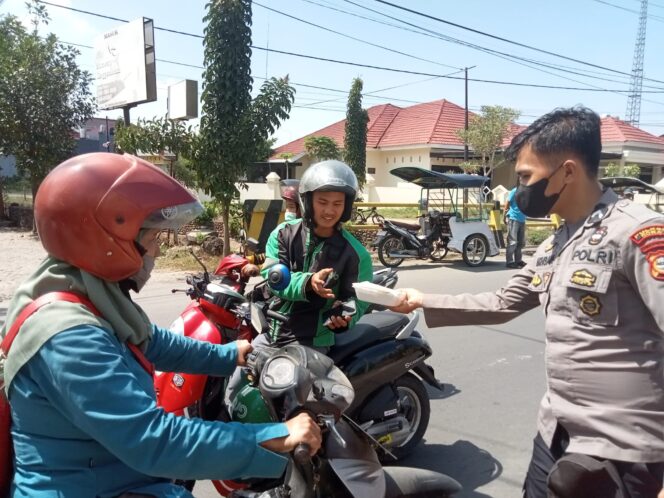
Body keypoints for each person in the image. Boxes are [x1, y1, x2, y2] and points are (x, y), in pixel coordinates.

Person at [0, 153, 321, 497]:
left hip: (120, 479)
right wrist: (273, 437)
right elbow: (155, 441)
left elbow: (154, 342)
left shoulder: (90, 297)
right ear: (105, 242)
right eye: (151, 240)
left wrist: (233, 354)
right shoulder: (68, 338)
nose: (155, 252)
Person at [390, 107, 664, 498]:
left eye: (526, 177)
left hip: (624, 452)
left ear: (567, 171)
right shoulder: (556, 243)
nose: (521, 190)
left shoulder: (637, 233)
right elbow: (503, 301)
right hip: (556, 436)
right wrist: (420, 299)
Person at [261, 160, 373, 351]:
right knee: (237, 374)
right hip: (272, 330)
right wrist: (309, 282)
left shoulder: (356, 254)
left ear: (346, 207)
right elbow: (274, 278)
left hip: (313, 341)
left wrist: (345, 315)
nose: (330, 211)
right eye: (322, 202)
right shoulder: (282, 234)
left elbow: (359, 299)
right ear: (307, 201)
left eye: (337, 204)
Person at [503, 186, 527, 268]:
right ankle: (509, 261)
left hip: (522, 219)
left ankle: (518, 260)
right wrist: (504, 216)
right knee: (512, 242)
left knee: (520, 242)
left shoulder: (527, 191)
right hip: (513, 218)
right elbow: (507, 202)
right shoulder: (515, 191)